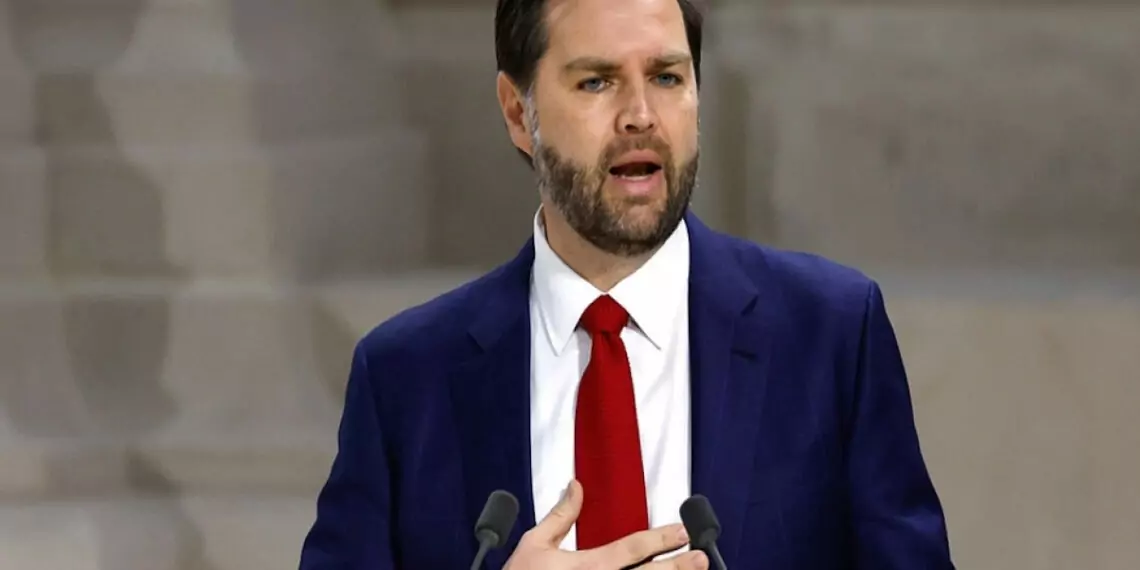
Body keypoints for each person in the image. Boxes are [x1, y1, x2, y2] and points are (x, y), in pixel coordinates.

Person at [298, 0, 955, 568]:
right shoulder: (405, 377)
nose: (640, 115)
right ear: (518, 113)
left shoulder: (830, 335)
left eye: (667, 77)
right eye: (597, 82)